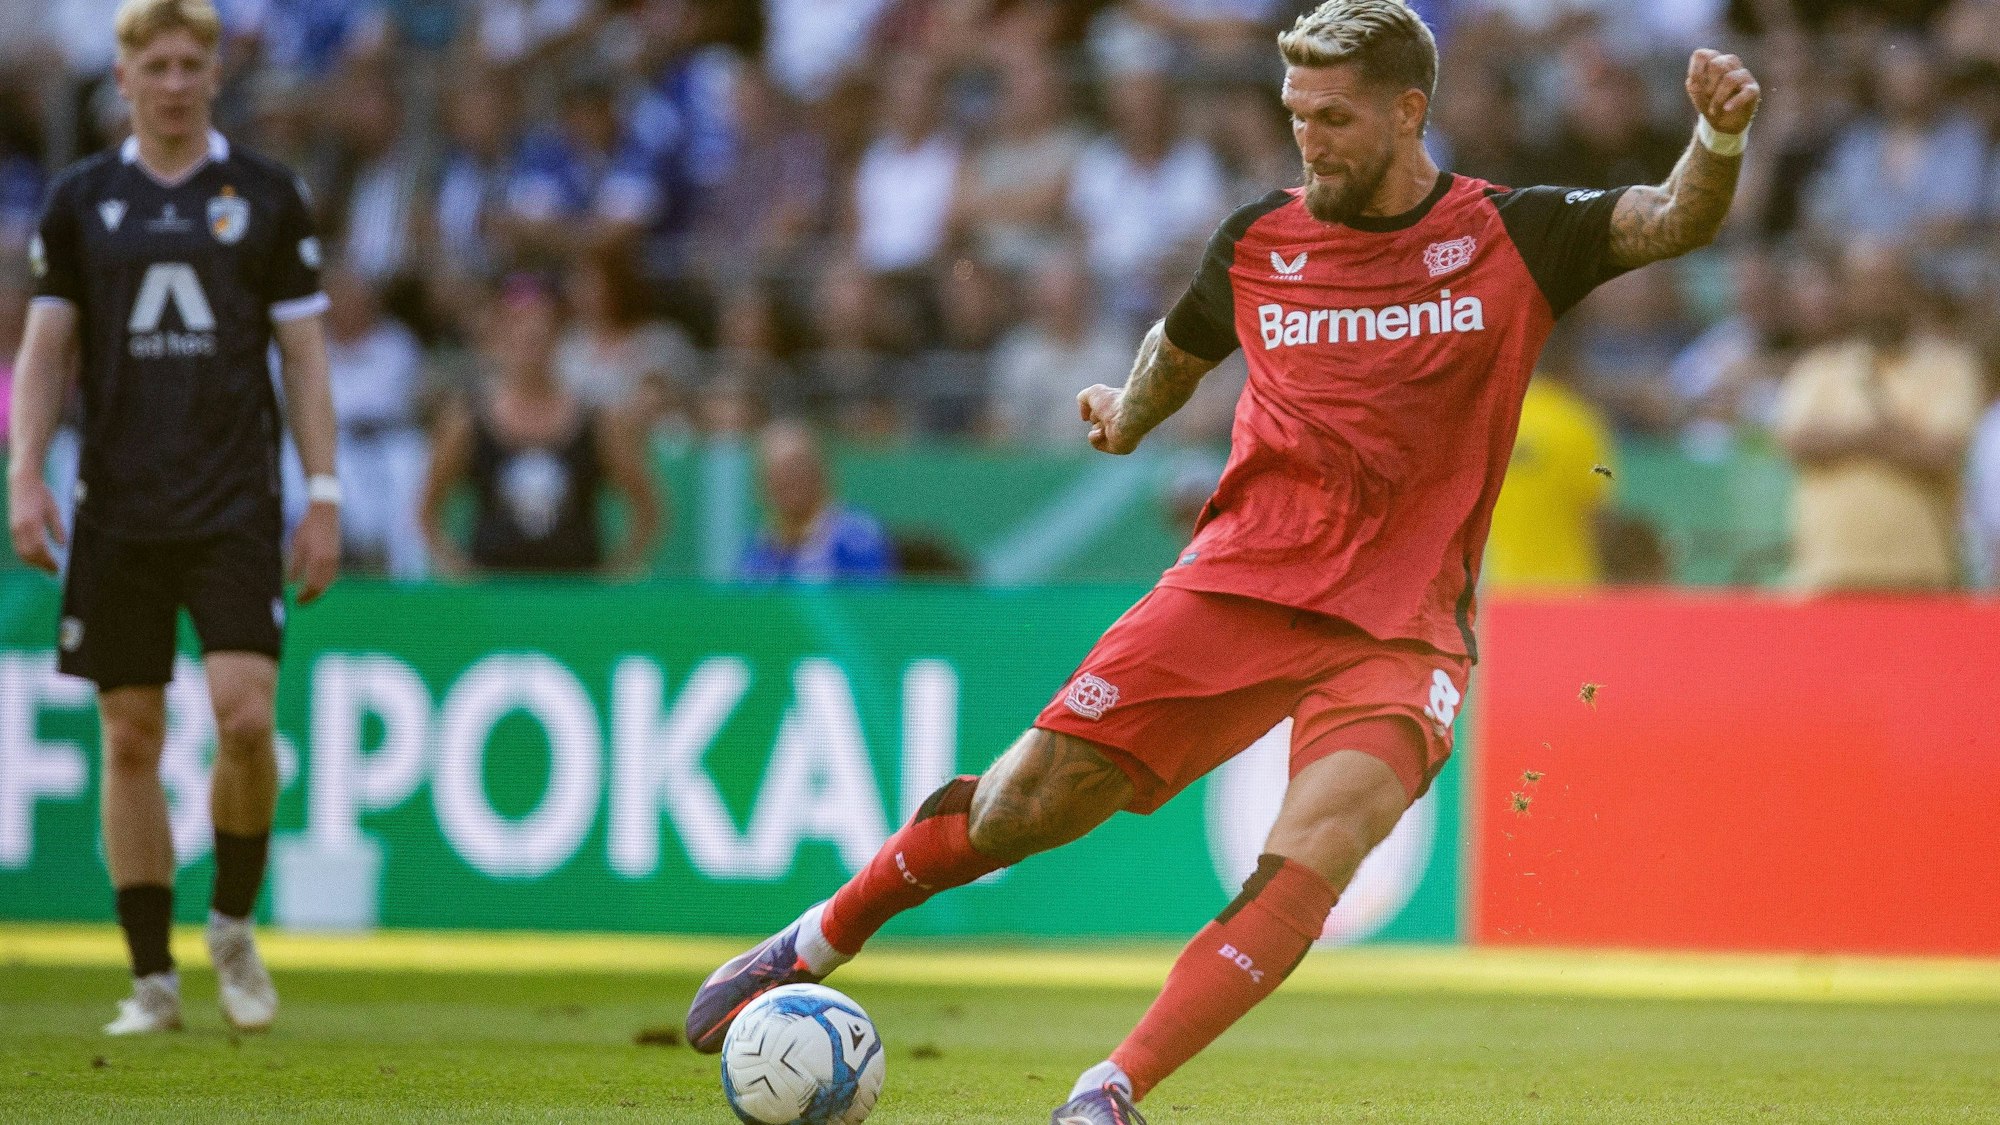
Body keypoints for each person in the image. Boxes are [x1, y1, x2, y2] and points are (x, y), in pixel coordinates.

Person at [684, 4, 1760, 1121]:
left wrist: (1715, 137)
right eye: (1295, 116)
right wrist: (1128, 410)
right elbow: (1180, 344)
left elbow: (1672, 218)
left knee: (1314, 852)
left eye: (1334, 118)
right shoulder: (1259, 239)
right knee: (1021, 805)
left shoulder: (1515, 234)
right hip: (1234, 586)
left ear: (1407, 111)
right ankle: (816, 937)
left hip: (1399, 628)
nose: (1310, 140)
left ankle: (1109, 1091)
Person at [8, 0, 340, 1036]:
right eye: (155, 63)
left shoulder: (266, 196)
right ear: (124, 76)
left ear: (215, 73)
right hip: (118, 506)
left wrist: (323, 493)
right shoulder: (80, 202)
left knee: (245, 718)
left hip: (236, 502)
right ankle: (152, 979)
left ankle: (231, 923)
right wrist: (25, 474)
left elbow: (305, 358)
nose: (174, 80)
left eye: (192, 62)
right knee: (132, 733)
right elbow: (48, 351)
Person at [421, 273, 662, 577]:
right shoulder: (467, 419)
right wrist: (459, 575)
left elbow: (647, 507)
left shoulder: (597, 421)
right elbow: (426, 512)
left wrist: (613, 576)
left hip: (575, 599)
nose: (531, 341)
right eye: (520, 331)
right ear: (500, 337)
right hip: (493, 601)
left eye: (541, 331)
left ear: (559, 336)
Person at [1773, 244, 1983, 593]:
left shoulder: (1951, 368)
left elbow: (1940, 453)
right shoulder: (1817, 368)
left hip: (1921, 578)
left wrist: (1844, 439)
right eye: (1867, 286)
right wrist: (1887, 437)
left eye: (1889, 285)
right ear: (1850, 295)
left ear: (1912, 291)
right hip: (1827, 579)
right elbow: (1796, 443)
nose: (1879, 297)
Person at [738, 419, 895, 583]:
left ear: (820, 472)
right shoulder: (757, 549)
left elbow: (873, 604)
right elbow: (742, 605)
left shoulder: (857, 536)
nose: (787, 478)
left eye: (796, 466)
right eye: (776, 470)